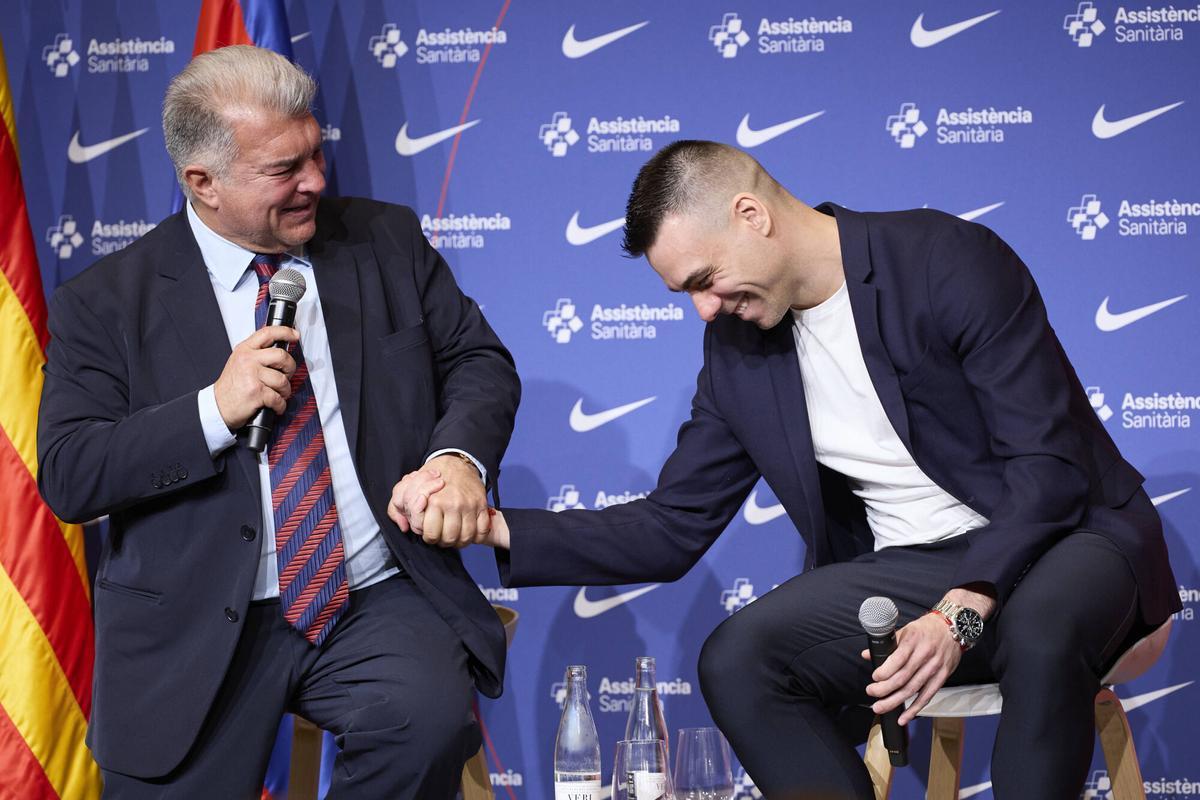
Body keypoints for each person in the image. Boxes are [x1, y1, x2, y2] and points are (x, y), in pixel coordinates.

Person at [395, 141, 1179, 799]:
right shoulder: (738, 352)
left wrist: (961, 610)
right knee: (738, 658)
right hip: (918, 571)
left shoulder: (944, 259)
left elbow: (1048, 468)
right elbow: (669, 527)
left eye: (703, 280)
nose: (702, 309)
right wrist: (492, 526)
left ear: (752, 216)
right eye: (684, 295)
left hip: (1072, 539)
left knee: (1039, 629)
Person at [37, 45, 519, 798]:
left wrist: (458, 456)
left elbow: (478, 361)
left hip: (370, 596)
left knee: (422, 725)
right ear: (203, 182)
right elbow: (71, 474)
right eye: (283, 170)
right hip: (190, 625)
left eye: (315, 154)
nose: (317, 182)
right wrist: (212, 411)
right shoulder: (105, 302)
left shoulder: (382, 241)